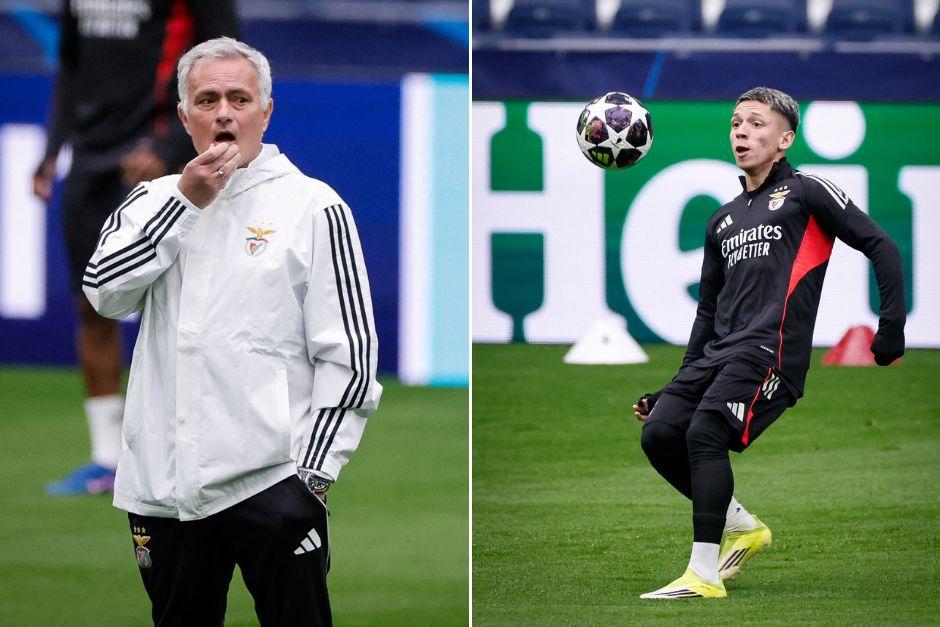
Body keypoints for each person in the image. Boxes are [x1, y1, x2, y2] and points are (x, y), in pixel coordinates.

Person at [83, 37, 382, 625]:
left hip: (271, 484)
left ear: (265, 112)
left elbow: (351, 356)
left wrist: (312, 477)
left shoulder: (313, 207)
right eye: (208, 99)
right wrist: (184, 204)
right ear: (184, 116)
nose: (224, 113)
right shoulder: (151, 201)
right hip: (163, 491)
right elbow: (105, 292)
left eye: (239, 99)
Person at [634, 87, 905, 600]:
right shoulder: (722, 219)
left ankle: (703, 574)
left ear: (785, 140)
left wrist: (891, 326)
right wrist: (674, 386)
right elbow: (708, 314)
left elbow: (880, 244)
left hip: (771, 352)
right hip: (720, 354)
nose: (742, 131)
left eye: (757, 123)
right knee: (661, 433)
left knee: (705, 432)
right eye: (737, 122)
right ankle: (743, 526)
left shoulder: (806, 191)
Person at [35, 0, 239, 495]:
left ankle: (196, 452)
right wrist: (53, 149)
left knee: (185, 310)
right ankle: (106, 459)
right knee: (91, 305)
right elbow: (71, 63)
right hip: (91, 161)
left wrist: (169, 149)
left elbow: (228, 60)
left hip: (166, 164)